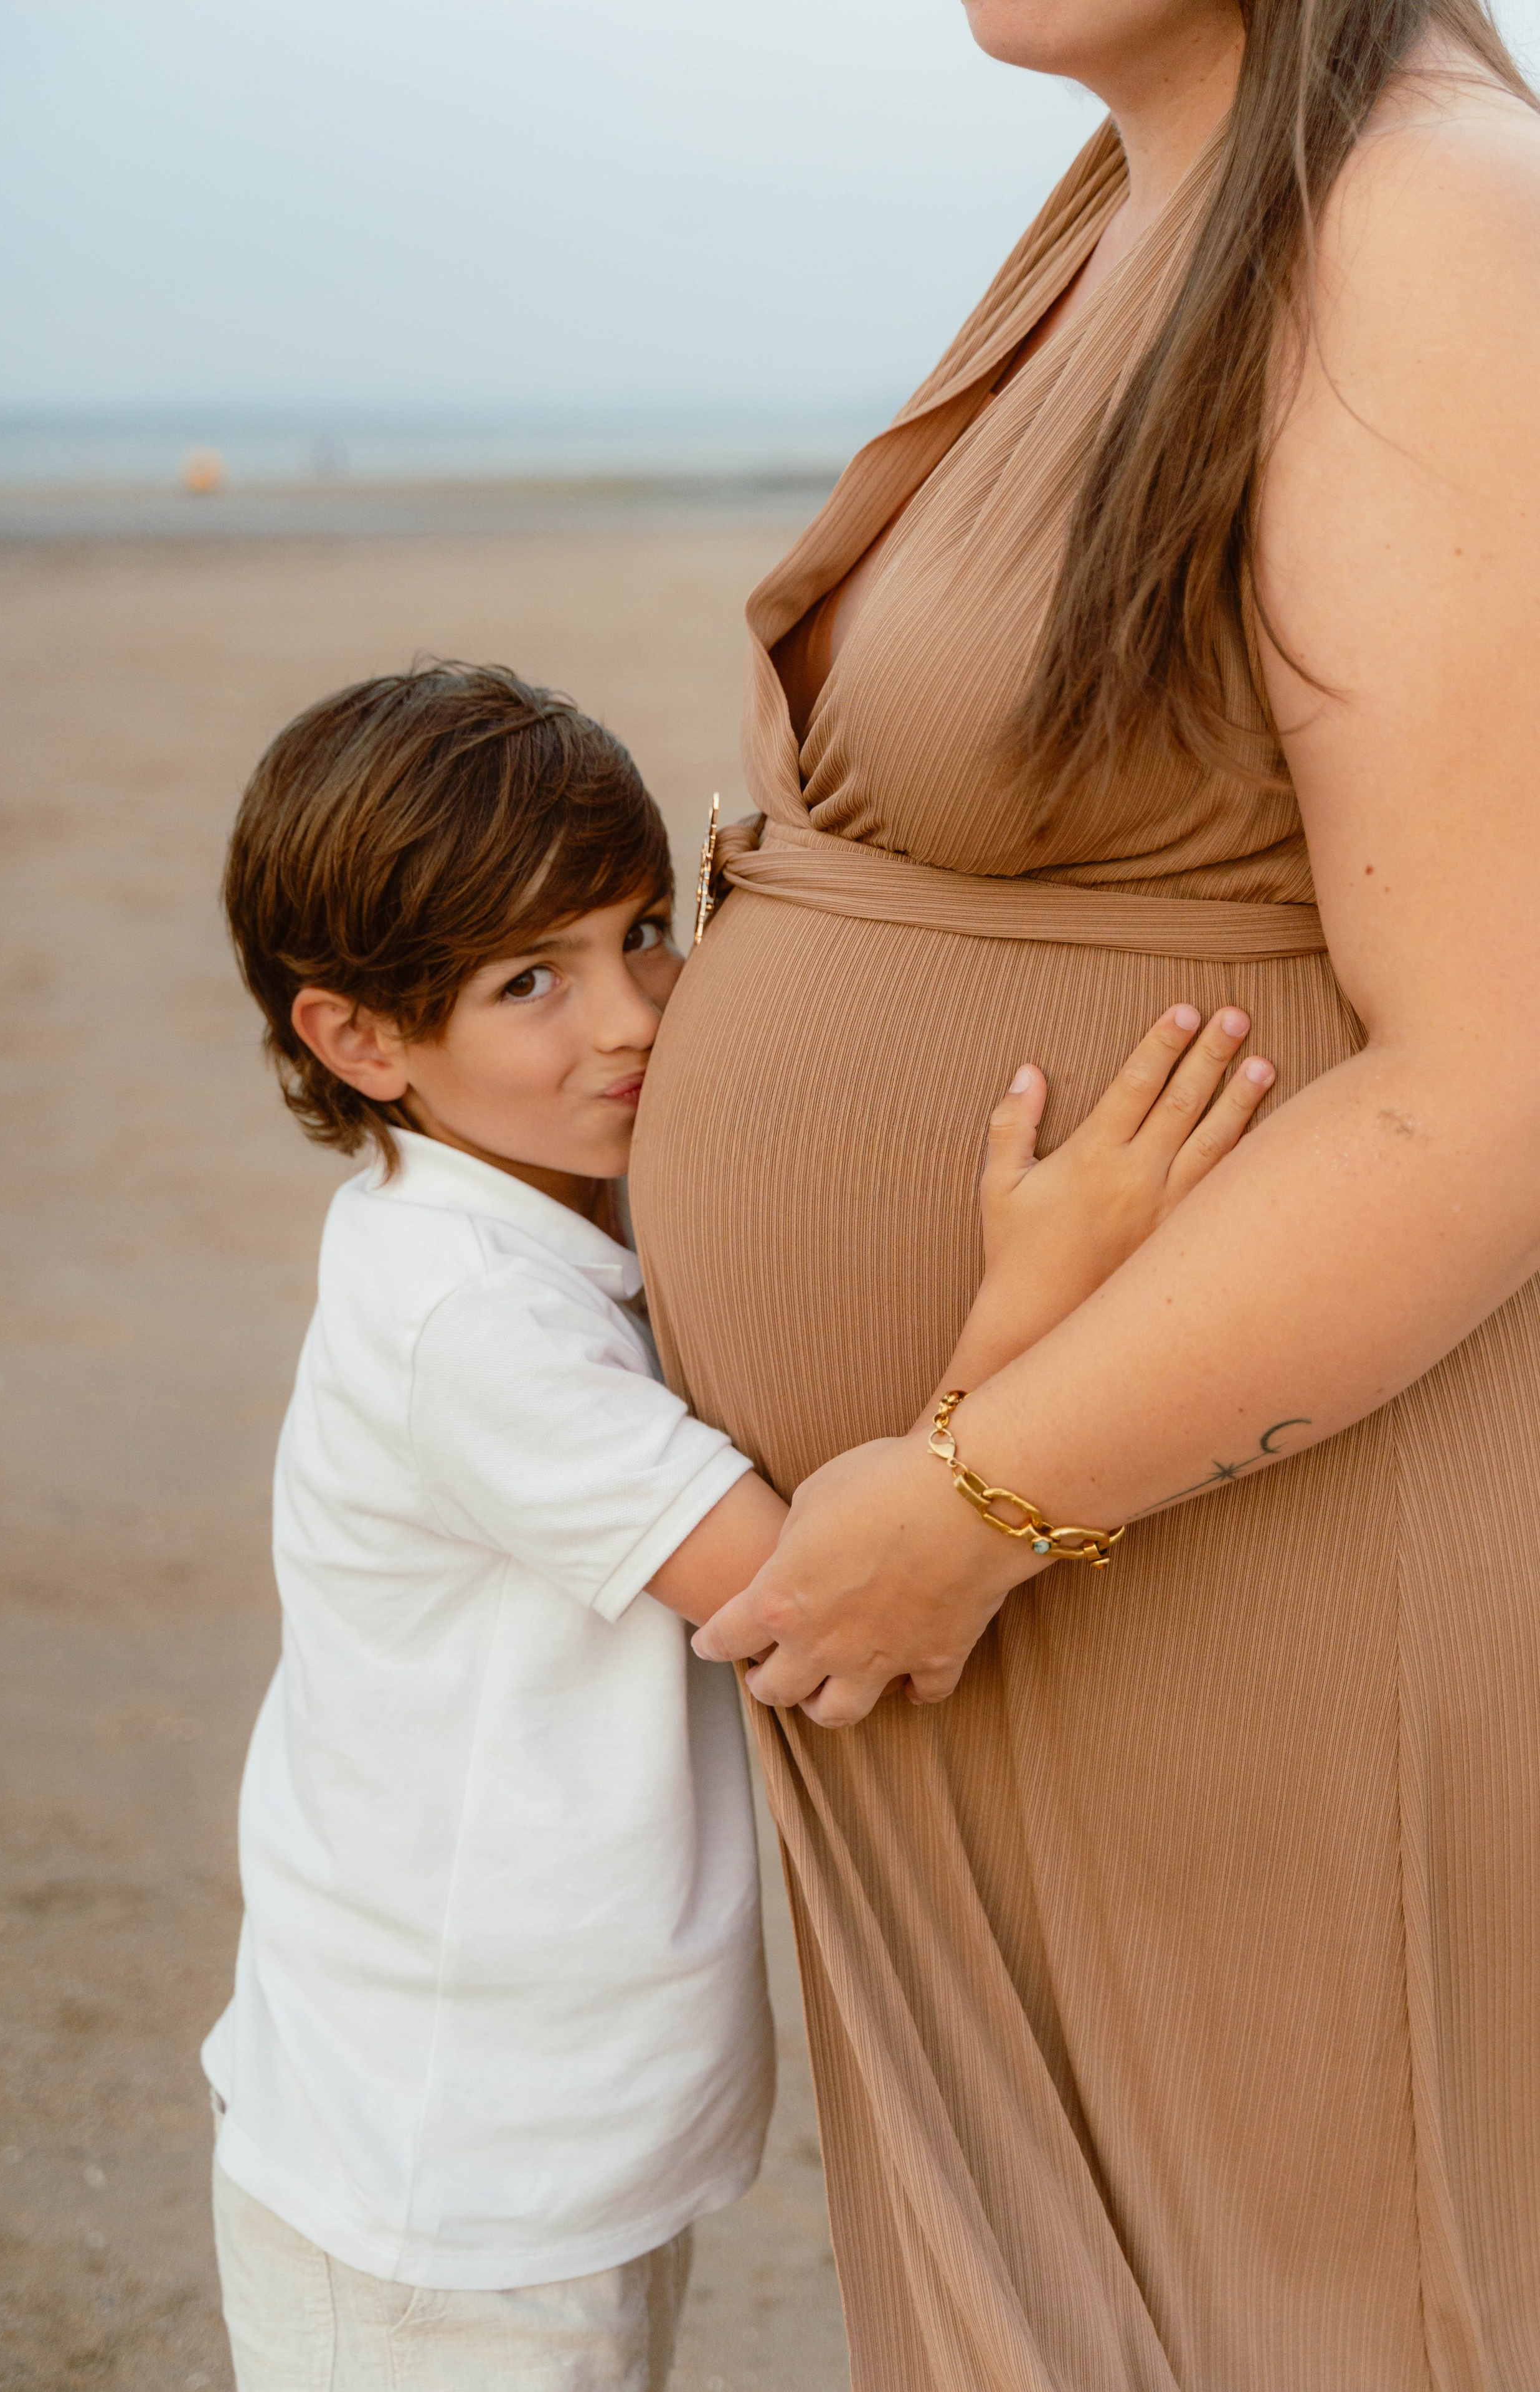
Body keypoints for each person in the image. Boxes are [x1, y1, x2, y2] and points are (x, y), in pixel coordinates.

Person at [628, 0, 1540, 2385]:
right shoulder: (1162, 186)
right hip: (1028, 1579)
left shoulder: (1422, 217)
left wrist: (974, 1495)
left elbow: (1500, 1070)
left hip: (1188, 1570)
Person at [203, 660, 1272, 2390]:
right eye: (529, 981)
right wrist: (1041, 1305)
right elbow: (805, 1606)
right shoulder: (464, 1317)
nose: (629, 1015)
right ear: (359, 1038)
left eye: (643, 930)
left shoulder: (541, 1212)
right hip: (436, 2165)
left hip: (551, 2123)